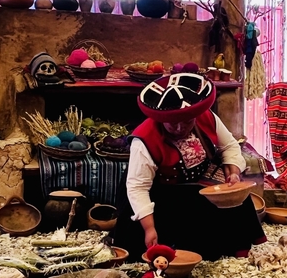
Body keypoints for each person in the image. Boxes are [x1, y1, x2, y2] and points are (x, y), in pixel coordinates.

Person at [112, 72, 265, 261]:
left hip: (199, 181)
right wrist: (149, 228)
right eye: (173, 124)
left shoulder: (206, 117)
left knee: (235, 195)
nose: (180, 128)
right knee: (181, 224)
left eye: (186, 122)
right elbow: (138, 188)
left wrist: (233, 169)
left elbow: (230, 146)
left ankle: (237, 246)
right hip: (162, 192)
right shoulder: (144, 139)